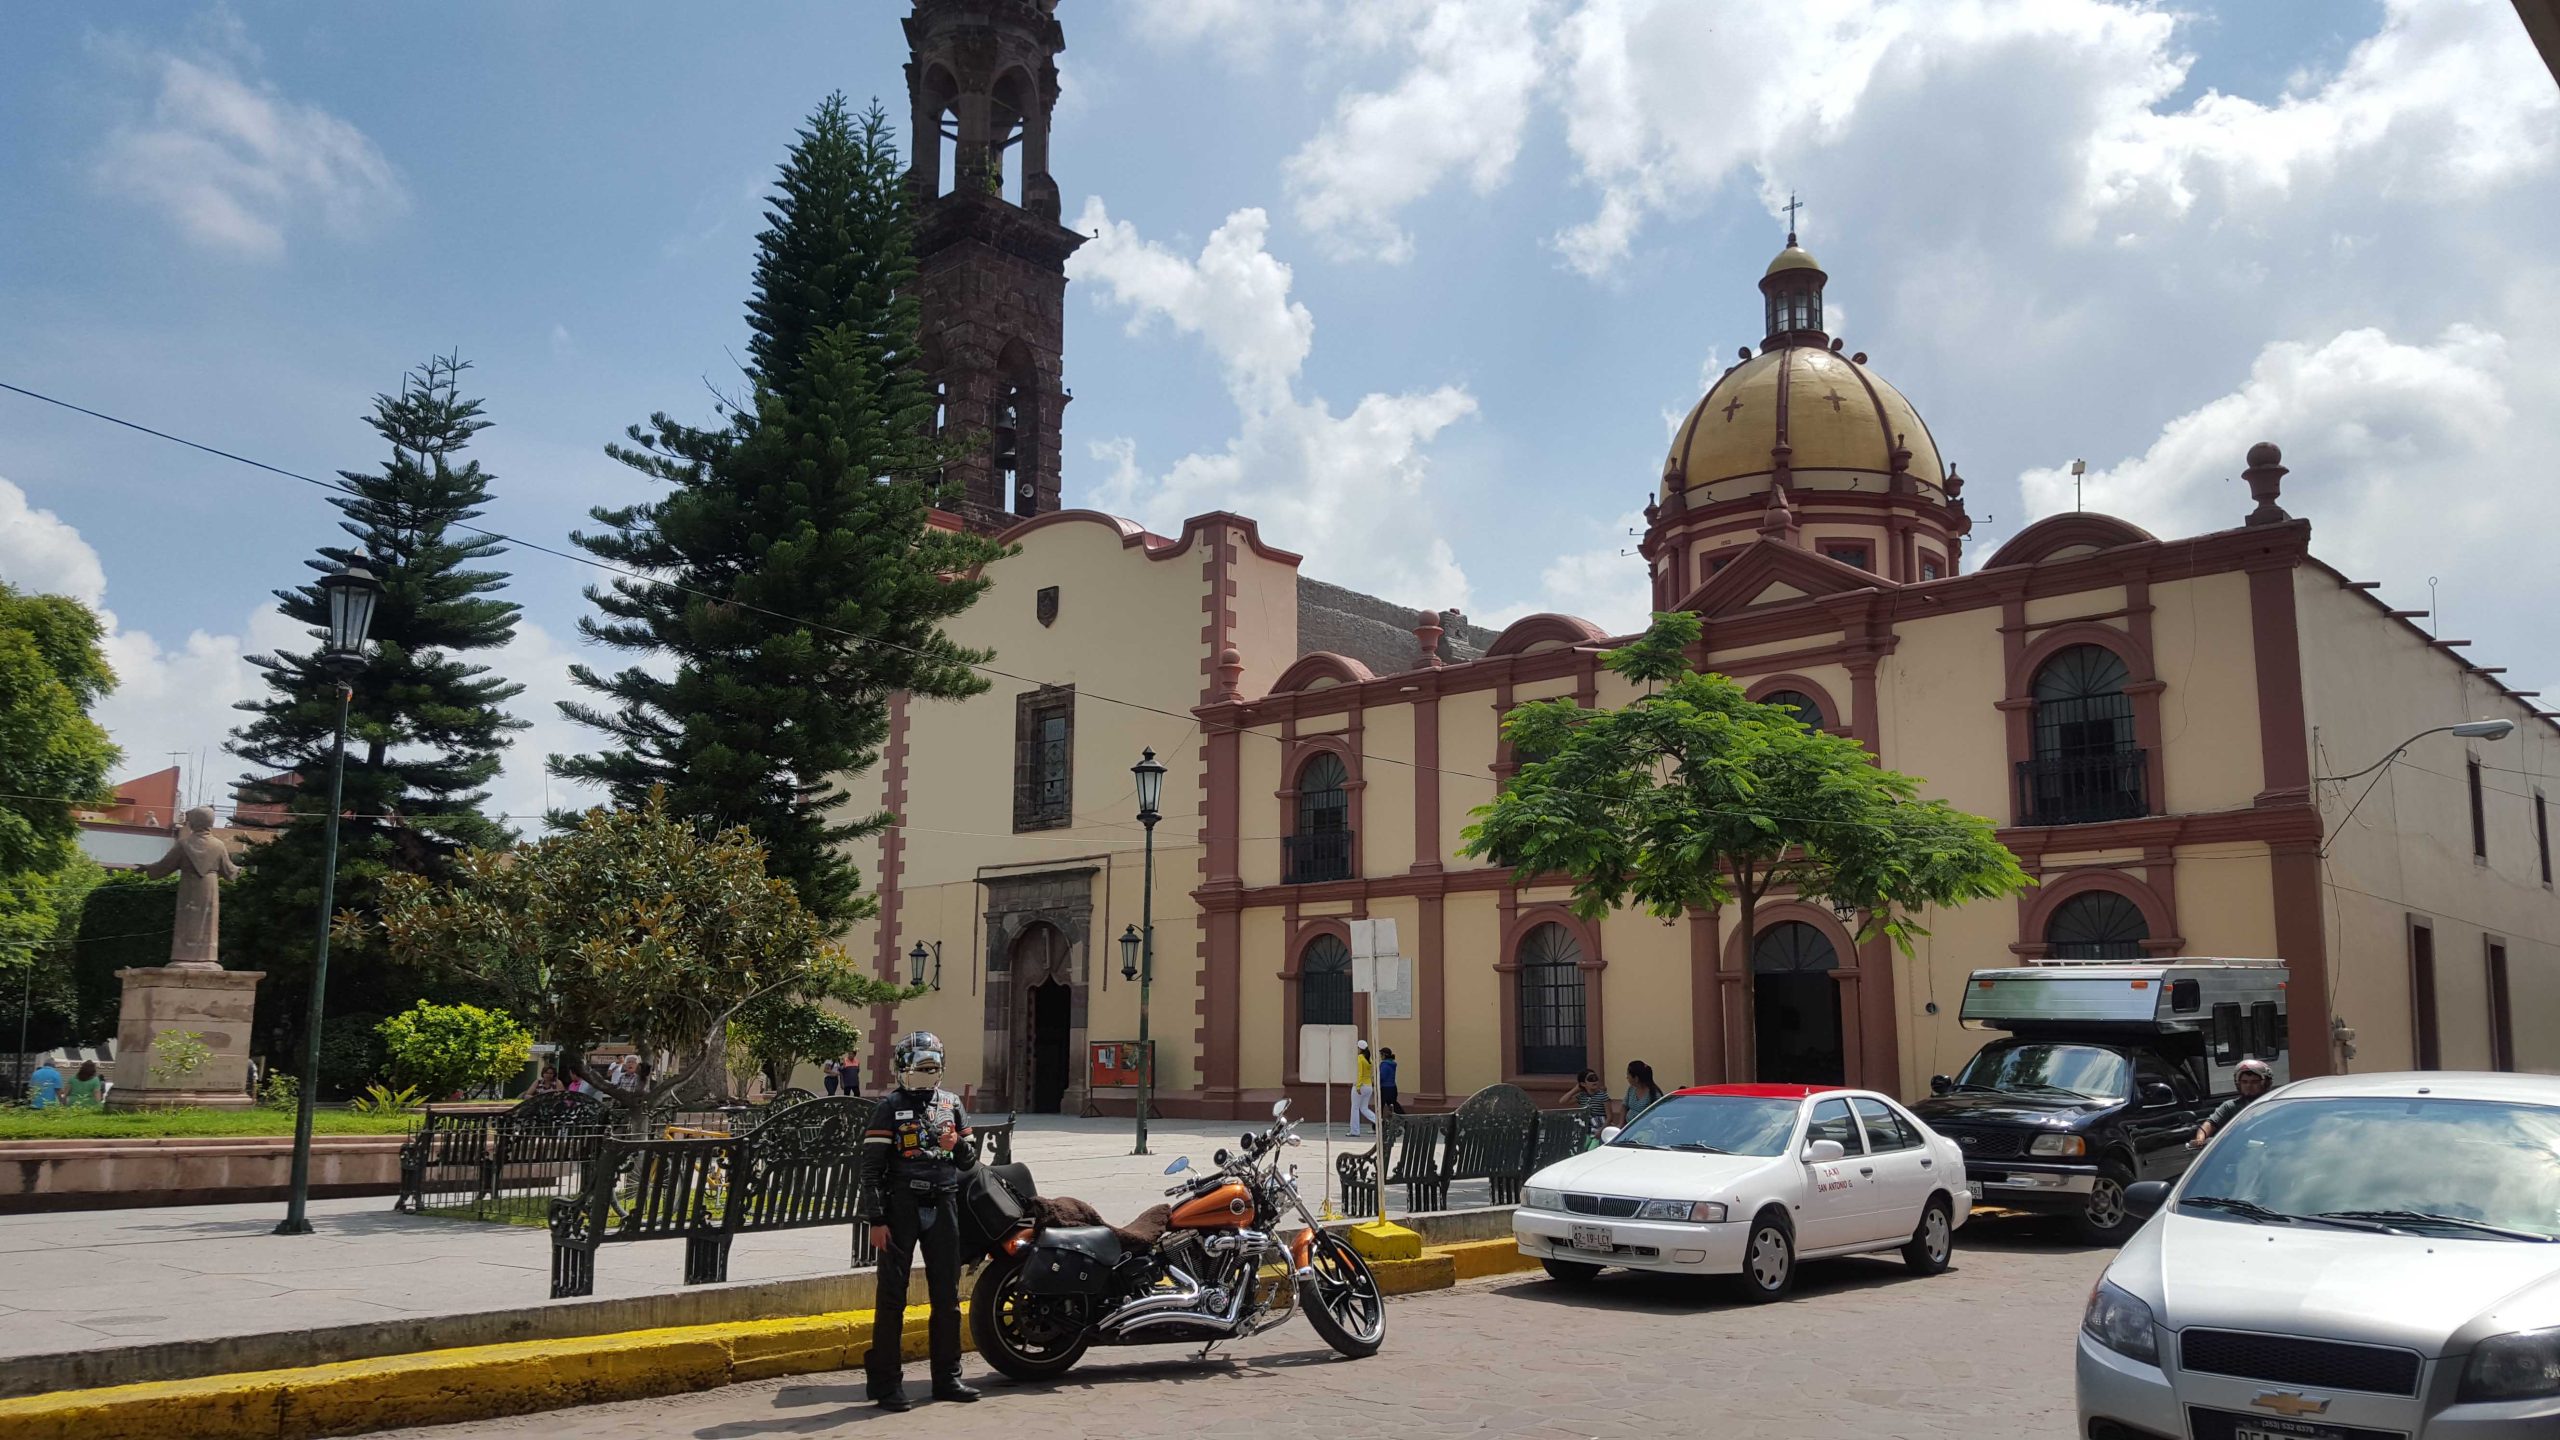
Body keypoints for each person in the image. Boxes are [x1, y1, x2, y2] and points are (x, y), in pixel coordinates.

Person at [860, 1031, 979, 1411]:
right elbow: (871, 1168)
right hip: (901, 1205)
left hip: (943, 1202)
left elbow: (968, 1161)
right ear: (902, 1069)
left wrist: (955, 1145)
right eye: (918, 1067)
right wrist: (876, 1219)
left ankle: (947, 1377)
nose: (925, 1073)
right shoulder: (889, 1107)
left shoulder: (952, 1103)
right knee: (892, 1296)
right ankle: (886, 1384)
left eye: (931, 1066)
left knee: (946, 1296)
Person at [2191, 1058, 2275, 1148]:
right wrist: (2200, 1139)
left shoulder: (2274, 1106)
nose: (2249, 1085)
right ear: (2238, 1084)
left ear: (2266, 1083)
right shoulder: (2230, 1107)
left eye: (2254, 1082)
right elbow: (2210, 1124)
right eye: (2244, 1082)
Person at [1560, 1069, 1612, 1147]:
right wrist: (1576, 1089)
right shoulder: (1582, 1096)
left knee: (1592, 1149)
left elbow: (1610, 1117)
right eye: (1590, 1079)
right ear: (1583, 1083)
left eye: (1595, 1078)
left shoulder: (1603, 1096)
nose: (1594, 1081)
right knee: (1582, 1148)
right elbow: (1563, 1101)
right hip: (1587, 1130)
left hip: (1600, 1128)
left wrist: (1601, 1130)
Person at [1348, 1039, 1379, 1138]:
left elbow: (1360, 1073)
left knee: (1355, 1108)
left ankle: (1355, 1131)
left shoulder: (1360, 1058)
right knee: (1364, 1108)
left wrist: (1357, 1086)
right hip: (1369, 1086)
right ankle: (1379, 1122)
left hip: (1360, 1086)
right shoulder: (1369, 1059)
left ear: (1359, 1048)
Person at [1378, 1046, 1404, 1116]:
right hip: (1393, 1088)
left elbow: (1382, 1076)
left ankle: (1377, 1123)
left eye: (1381, 1055)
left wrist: (1375, 1081)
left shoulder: (1384, 1064)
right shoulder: (1392, 1064)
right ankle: (1404, 1117)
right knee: (1394, 1104)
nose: (1380, 1056)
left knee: (1380, 1106)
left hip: (1385, 1088)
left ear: (1384, 1055)